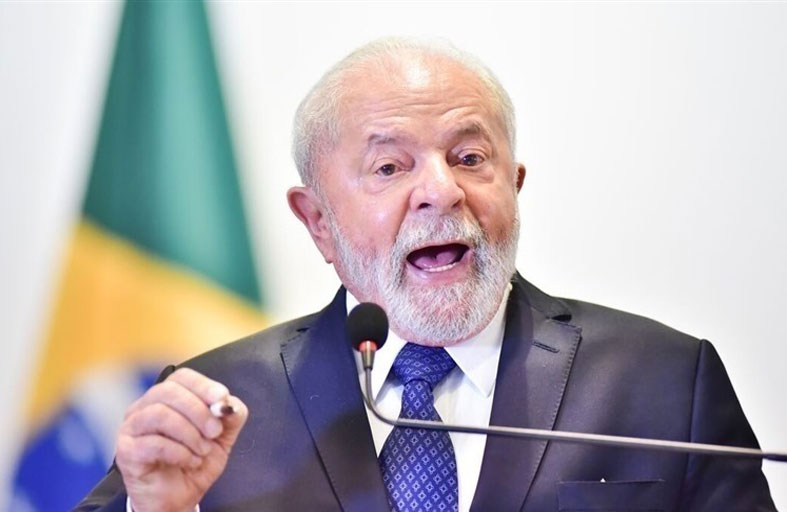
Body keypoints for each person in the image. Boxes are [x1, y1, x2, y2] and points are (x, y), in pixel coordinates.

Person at [77, 38, 776, 512]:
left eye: (470, 159)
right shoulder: (215, 404)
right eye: (389, 166)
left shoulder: (663, 381)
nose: (441, 191)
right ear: (317, 221)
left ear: (514, 187)